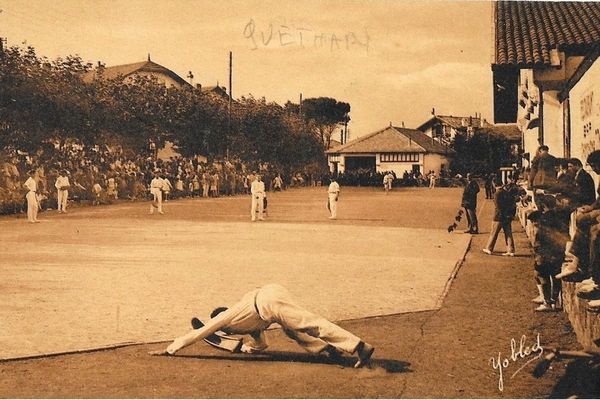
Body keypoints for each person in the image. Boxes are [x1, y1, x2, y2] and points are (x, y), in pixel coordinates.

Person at [148, 283, 375, 368]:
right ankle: (325, 349)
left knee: (309, 324)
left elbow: (198, 333)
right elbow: (261, 344)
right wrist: (246, 349)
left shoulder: (226, 317)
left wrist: (171, 349)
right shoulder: (247, 326)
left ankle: (359, 346)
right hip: (270, 297)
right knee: (293, 329)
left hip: (266, 302)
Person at [556, 150, 600, 283]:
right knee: (582, 219)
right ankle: (578, 264)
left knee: (593, 231)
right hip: (596, 208)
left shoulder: (583, 176)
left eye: (594, 166)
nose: (594, 169)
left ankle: (589, 272)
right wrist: (591, 208)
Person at [483, 179, 516, 256]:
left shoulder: (496, 193)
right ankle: (511, 250)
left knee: (494, 233)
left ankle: (489, 248)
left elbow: (498, 206)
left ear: (494, 184)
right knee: (508, 233)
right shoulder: (506, 192)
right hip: (507, 216)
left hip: (499, 216)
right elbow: (510, 203)